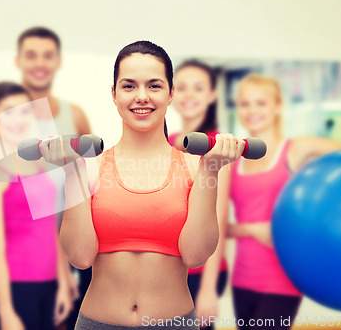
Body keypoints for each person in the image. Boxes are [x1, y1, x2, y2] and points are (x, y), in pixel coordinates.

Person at [40, 40, 245, 329]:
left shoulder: (193, 166)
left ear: (171, 93)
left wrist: (211, 168)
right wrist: (72, 172)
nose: (141, 96)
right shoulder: (89, 167)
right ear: (113, 94)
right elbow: (80, 257)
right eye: (128, 86)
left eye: (154, 85)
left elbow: (196, 255)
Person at [0, 27, 90, 330]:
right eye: (31, 55)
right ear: (18, 60)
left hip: (53, 255)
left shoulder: (73, 115)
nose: (39, 63)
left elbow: (88, 176)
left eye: (47, 55)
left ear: (58, 61)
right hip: (8, 259)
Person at [225, 74, 341, 330]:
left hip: (283, 280)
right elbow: (217, 226)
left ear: (278, 106)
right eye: (245, 104)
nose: (252, 111)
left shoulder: (297, 148)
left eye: (261, 103)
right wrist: (250, 229)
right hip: (242, 278)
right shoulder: (232, 160)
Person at [0, 82, 72, 330]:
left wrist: (62, 283)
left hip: (47, 284)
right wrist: (6, 311)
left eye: (24, 110)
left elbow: (49, 227)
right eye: (8, 111)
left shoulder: (34, 160)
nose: (18, 119)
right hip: (16, 287)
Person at [168, 60, 228, 329]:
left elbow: (219, 220)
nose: (189, 94)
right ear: (171, 93)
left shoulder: (219, 146)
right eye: (182, 87)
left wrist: (208, 290)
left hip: (201, 272)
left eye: (198, 87)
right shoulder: (166, 143)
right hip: (169, 272)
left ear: (212, 95)